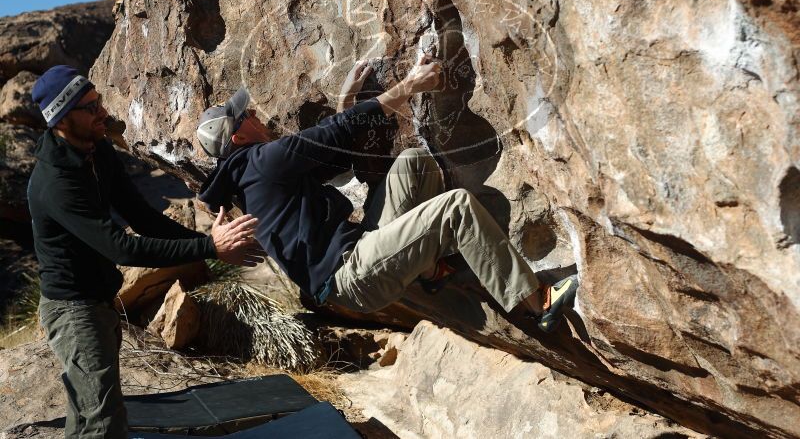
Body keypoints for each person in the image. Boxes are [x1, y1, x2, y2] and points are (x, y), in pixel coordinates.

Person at [196, 56, 578, 333]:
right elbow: (338, 132)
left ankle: (431, 268)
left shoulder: (248, 182)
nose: (256, 115)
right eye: (246, 116)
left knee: (414, 163)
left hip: (357, 256)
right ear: (238, 137)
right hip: (354, 274)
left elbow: (336, 159)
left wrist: (346, 100)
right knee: (455, 208)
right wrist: (411, 84)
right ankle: (537, 302)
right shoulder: (261, 162)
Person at [28, 65, 260, 439]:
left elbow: (142, 217)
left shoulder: (96, 150)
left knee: (91, 412)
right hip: (73, 311)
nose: (102, 112)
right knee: (103, 421)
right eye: (89, 108)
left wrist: (206, 248)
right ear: (61, 120)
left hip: (98, 301)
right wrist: (210, 246)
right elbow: (119, 246)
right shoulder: (55, 182)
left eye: (98, 101)